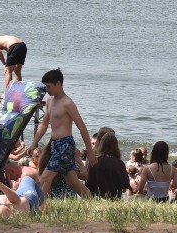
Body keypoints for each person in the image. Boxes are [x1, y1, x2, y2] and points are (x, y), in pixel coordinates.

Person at [26, 68, 95, 198]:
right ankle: (92, 201)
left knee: (45, 177)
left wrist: (90, 152)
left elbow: (82, 127)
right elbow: (44, 124)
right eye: (45, 86)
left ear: (58, 84)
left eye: (49, 86)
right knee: (72, 181)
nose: (47, 89)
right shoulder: (49, 101)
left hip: (65, 144)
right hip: (55, 144)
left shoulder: (68, 103)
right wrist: (34, 143)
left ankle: (40, 209)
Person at [86, 132, 129, 198]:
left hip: (97, 196)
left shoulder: (95, 161)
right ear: (116, 146)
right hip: (114, 197)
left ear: (101, 145)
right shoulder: (119, 163)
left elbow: (89, 183)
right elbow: (125, 184)